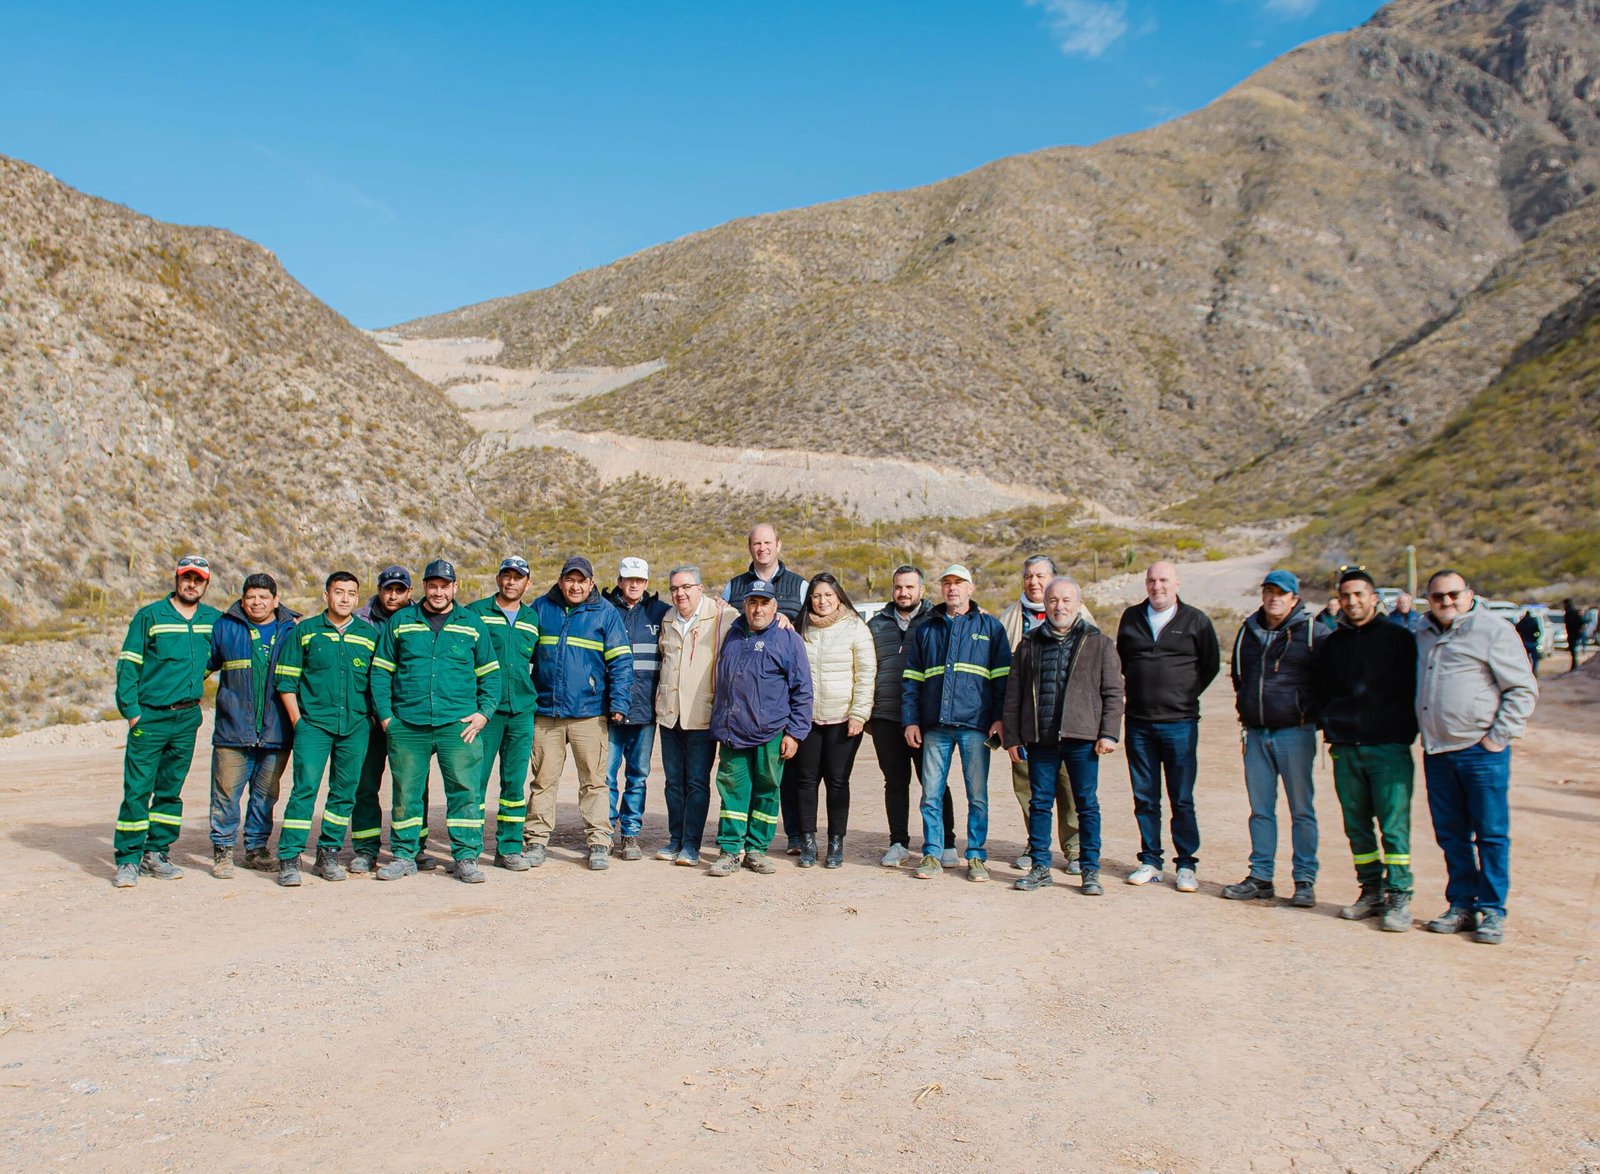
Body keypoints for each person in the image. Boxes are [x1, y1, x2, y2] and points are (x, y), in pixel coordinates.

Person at [1417, 570, 1538, 945]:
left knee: (1491, 833)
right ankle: (1461, 905)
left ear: (1469, 594)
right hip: (1438, 752)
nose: (1446, 602)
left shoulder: (1492, 629)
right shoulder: (1420, 633)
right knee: (1451, 834)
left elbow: (1522, 688)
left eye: (1453, 594)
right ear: (1429, 600)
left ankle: (1492, 911)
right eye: (1438, 597)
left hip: (1480, 753)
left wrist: (1496, 739)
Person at [369, 559, 500, 883]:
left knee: (464, 791)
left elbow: (491, 674)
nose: (439, 591)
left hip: (457, 724)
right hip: (408, 724)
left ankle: (466, 857)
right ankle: (404, 855)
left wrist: (483, 713)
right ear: (424, 587)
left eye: (445, 585)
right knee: (406, 792)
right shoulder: (401, 622)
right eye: (433, 585)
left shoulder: (471, 623)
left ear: (455, 587)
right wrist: (386, 717)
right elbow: (381, 672)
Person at [1311, 568, 1419, 932]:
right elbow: (1321, 688)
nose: (1352, 601)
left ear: (1374, 598)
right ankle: (1370, 890)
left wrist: (1401, 732)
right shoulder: (1334, 643)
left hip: (1388, 747)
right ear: (1339, 600)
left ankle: (1399, 894)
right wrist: (1332, 725)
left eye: (1359, 594)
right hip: (1346, 748)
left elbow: (1412, 689)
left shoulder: (1399, 638)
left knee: (1393, 827)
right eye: (1346, 595)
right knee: (1356, 826)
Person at [1002, 577, 1123, 895]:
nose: (1060, 606)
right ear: (1046, 605)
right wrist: (1012, 737)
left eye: (1066, 600)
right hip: (1040, 739)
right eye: (1054, 600)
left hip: (1082, 738)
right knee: (1039, 803)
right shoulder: (1028, 644)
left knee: (1087, 805)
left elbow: (1113, 692)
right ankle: (1041, 867)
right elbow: (1013, 695)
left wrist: (1108, 733)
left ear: (1079, 604)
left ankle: (1090, 870)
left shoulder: (1099, 643)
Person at [111, 555, 222, 888]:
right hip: (150, 715)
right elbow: (128, 666)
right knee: (137, 790)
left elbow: (220, 655)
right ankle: (128, 859)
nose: (192, 584)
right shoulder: (150, 616)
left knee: (170, 792)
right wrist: (132, 713)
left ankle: (157, 852)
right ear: (176, 579)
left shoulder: (213, 620)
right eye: (186, 578)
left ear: (206, 584)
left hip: (187, 717)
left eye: (198, 579)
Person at [1115, 561, 1219, 893]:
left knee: (1181, 797)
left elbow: (1210, 665)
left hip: (1180, 724)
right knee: (1145, 796)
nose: (1156, 586)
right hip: (1139, 724)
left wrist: (1184, 694)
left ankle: (1186, 864)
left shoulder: (1196, 621)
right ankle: (1151, 860)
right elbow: (1123, 662)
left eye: (1163, 580)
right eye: (1151, 580)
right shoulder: (1131, 618)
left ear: (1176, 583)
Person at [904, 564, 1011, 883]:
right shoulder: (926, 629)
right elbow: (911, 679)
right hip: (935, 726)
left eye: (959, 583)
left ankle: (976, 856)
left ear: (971, 589)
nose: (952, 588)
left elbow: (1002, 680)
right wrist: (911, 721)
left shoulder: (991, 628)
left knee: (977, 795)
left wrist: (999, 719)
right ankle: (933, 853)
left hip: (976, 727)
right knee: (930, 794)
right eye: (947, 583)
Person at [273, 571, 379, 886]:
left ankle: (327, 854)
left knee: (344, 794)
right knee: (304, 790)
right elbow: (286, 681)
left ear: (357, 599)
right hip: (314, 725)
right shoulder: (305, 632)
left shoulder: (368, 635)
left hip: (355, 726)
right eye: (338, 592)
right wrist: (298, 722)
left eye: (350, 593)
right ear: (326, 596)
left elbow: (379, 683)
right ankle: (289, 858)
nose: (344, 598)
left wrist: (370, 719)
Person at [526, 556, 633, 871]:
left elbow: (621, 662)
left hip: (589, 713)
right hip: (546, 712)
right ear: (560, 582)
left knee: (594, 781)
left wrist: (619, 703)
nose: (575, 586)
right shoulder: (540, 609)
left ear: (591, 583)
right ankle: (535, 840)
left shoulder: (605, 613)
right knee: (543, 780)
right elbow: (520, 655)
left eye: (581, 581)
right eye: (569, 580)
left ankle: (599, 842)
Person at [1224, 569, 1320, 907]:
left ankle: (1304, 879)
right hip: (1256, 731)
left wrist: (1306, 711)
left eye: (1281, 592)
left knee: (1301, 809)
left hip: (1296, 732)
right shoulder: (1248, 632)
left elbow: (1326, 680)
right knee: (1260, 809)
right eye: (1268, 591)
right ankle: (1261, 876)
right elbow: (1238, 674)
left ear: (1294, 597)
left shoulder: (1312, 633)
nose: (1273, 598)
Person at [706, 582, 814, 876]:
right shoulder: (733, 633)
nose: (758, 609)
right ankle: (730, 850)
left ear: (774, 607)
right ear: (744, 605)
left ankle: (756, 849)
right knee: (732, 793)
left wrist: (795, 733)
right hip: (732, 731)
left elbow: (802, 689)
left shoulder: (787, 640)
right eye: (752, 602)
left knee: (767, 791)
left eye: (764, 603)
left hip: (771, 732)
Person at [205, 572, 297, 877]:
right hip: (233, 730)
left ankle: (256, 849)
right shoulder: (224, 628)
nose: (256, 602)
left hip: (277, 730)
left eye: (263, 597)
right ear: (242, 600)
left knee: (265, 795)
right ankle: (223, 850)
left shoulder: (291, 630)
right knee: (226, 793)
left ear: (275, 599)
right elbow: (200, 668)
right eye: (251, 597)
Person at [866, 566, 956, 868]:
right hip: (886, 716)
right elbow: (866, 668)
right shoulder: (877, 624)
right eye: (898, 587)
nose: (903, 593)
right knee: (895, 781)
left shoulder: (936, 621)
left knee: (935, 781)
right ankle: (898, 842)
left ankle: (948, 843)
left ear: (921, 590)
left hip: (927, 717)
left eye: (909, 587)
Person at [998, 556, 1078, 873]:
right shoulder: (1009, 619)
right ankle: (1036, 845)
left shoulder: (1079, 614)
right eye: (1029, 576)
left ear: (1053, 579)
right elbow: (1001, 676)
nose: (1034, 582)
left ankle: (1074, 849)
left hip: (1068, 722)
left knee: (1070, 785)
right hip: (1026, 723)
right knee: (1028, 787)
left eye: (1041, 576)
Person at [655, 565, 739, 865]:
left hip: (702, 714)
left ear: (700, 588)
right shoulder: (667, 618)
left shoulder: (722, 617)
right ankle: (674, 839)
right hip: (670, 713)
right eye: (675, 588)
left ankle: (691, 844)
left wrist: (780, 616)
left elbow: (757, 623)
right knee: (673, 782)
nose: (680, 593)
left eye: (686, 587)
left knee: (697, 782)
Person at [792, 572, 876, 868]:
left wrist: (859, 714)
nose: (822, 601)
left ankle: (836, 843)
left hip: (843, 719)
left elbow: (866, 675)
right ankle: (808, 841)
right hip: (807, 719)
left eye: (828, 595)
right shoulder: (799, 628)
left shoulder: (855, 627)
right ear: (809, 599)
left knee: (838, 781)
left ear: (838, 596)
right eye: (816, 596)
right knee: (805, 781)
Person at [465, 557, 541, 871]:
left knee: (514, 784)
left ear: (527, 583)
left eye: (518, 578)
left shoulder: (532, 618)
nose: (511, 582)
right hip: (486, 712)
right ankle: (468, 849)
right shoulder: (475, 613)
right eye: (506, 576)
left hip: (521, 711)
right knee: (475, 781)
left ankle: (508, 848)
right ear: (498, 579)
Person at [602, 557, 670, 860]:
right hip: (608, 711)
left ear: (646, 583)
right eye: (628, 579)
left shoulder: (660, 612)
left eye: (639, 580)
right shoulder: (603, 609)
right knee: (605, 775)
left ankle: (630, 834)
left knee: (638, 775)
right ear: (619, 580)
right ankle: (604, 833)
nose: (633, 585)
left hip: (644, 711)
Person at [349, 565, 413, 872]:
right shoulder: (360, 620)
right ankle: (365, 849)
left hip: (408, 718)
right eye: (388, 589)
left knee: (412, 786)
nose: (393, 595)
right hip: (369, 717)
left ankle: (416, 847)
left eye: (400, 590)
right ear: (379, 589)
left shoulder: (421, 617)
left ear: (409, 593)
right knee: (365, 785)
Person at [1513, 609, 1543, 674]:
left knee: (1524, 658)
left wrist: (1520, 637)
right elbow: (1538, 632)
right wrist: (1535, 638)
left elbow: (1516, 630)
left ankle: (1526, 671)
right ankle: (1534, 670)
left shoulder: (1522, 622)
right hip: (1532, 642)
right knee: (1535, 658)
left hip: (1524, 642)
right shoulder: (1533, 622)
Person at [1563, 598, 1586, 672]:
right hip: (1574, 633)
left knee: (1573, 651)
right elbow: (1581, 621)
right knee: (1573, 651)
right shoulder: (1573, 611)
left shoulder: (1569, 612)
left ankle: (1574, 666)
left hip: (1572, 633)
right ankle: (1574, 666)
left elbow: (1579, 622)